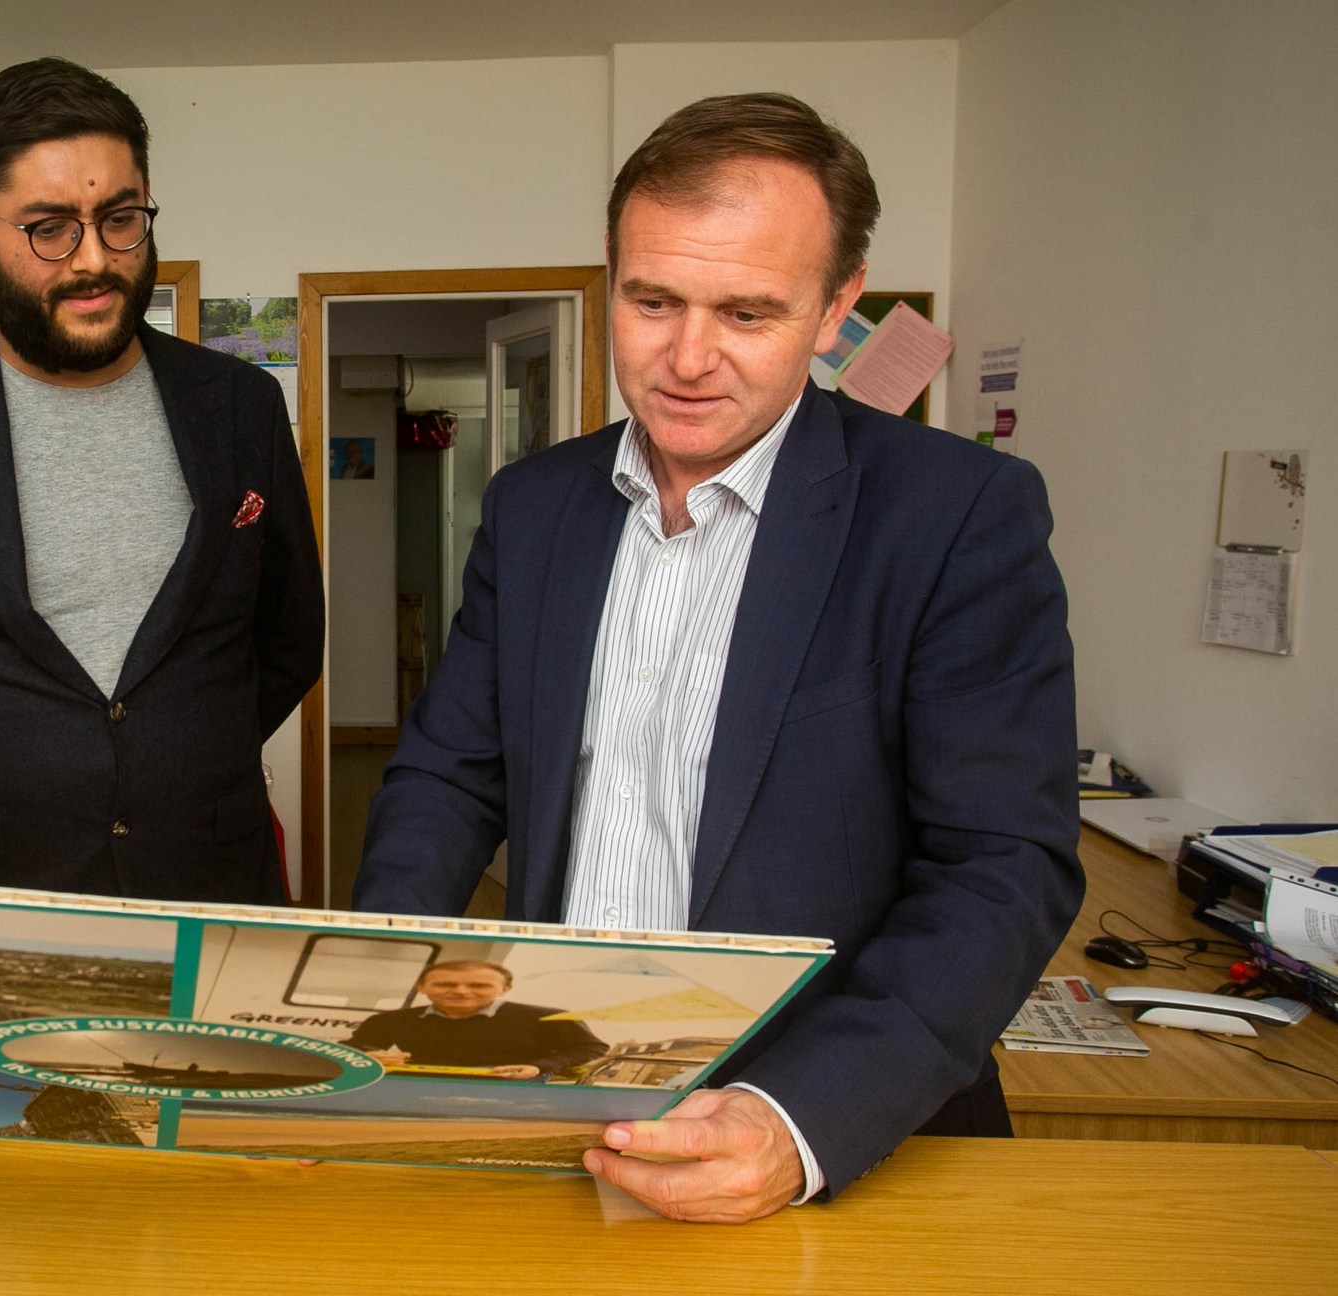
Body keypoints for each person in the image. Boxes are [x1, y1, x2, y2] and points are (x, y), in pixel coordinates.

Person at [353, 93, 1081, 1222]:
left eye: (747, 313)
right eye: (651, 302)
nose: (687, 360)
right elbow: (450, 771)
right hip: (553, 1105)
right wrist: (376, 998)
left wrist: (798, 1125)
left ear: (838, 303)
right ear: (609, 281)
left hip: (830, 1132)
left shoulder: (955, 514)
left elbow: (1000, 868)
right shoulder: (535, 506)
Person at [0, 58, 324, 904]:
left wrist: (177, 751)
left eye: (120, 219)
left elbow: (290, 636)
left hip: (212, 880)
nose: (94, 260)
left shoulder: (240, 406)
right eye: (49, 228)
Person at [344, 961, 603, 1080]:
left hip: (518, 1088)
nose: (460, 991)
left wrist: (540, 1067)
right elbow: (354, 1048)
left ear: (506, 989)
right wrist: (369, 1058)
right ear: (421, 987)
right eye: (445, 984)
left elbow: (593, 1048)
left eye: (479, 985)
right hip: (427, 1087)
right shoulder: (388, 1021)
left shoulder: (548, 1016)